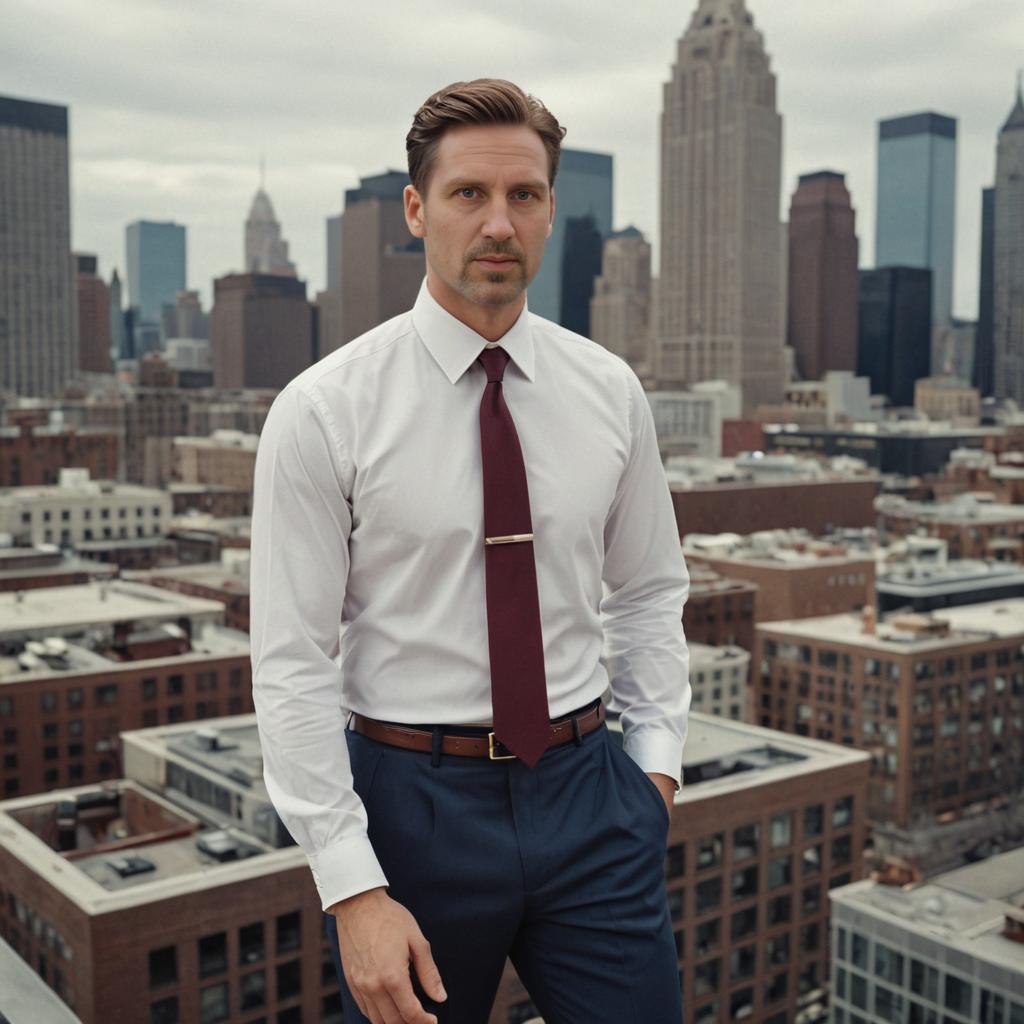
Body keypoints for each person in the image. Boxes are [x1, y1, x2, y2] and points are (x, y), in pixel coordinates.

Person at [249, 78, 692, 1024]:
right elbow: (291, 661)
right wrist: (350, 885)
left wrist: (652, 773)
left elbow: (650, 590)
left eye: (523, 196)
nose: (499, 223)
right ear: (416, 210)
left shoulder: (609, 391)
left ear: (548, 210)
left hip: (589, 790)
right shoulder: (324, 411)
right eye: (468, 195)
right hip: (413, 806)